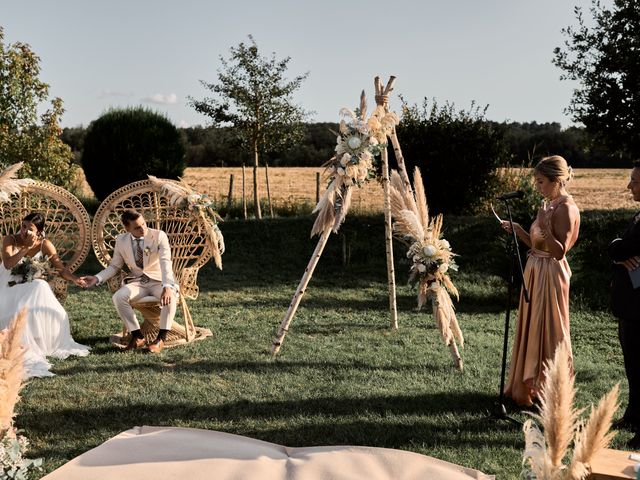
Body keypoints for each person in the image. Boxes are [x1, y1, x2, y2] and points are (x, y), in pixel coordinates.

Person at [501, 155, 581, 406]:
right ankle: (528, 385)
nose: (537, 187)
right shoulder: (548, 204)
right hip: (535, 270)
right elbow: (536, 244)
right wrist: (519, 230)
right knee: (532, 325)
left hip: (551, 274)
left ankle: (549, 387)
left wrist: (545, 227)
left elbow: (559, 252)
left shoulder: (566, 208)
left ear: (556, 181)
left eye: (541, 182)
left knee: (549, 328)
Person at [0, 213, 90, 378]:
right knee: (38, 286)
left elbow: (61, 269)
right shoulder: (10, 240)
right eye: (23, 226)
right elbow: (8, 264)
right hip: (7, 285)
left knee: (40, 285)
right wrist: (25, 248)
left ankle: (40, 339)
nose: (24, 231)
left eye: (30, 229)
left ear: (39, 232)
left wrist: (75, 279)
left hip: (28, 287)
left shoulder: (44, 244)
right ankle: (20, 335)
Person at [81, 209, 177, 353]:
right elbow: (115, 266)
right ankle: (137, 336)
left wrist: (167, 286)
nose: (143, 229)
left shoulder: (159, 236)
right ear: (127, 228)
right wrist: (96, 278)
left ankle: (160, 339)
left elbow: (165, 262)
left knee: (170, 298)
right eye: (137, 227)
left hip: (159, 280)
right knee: (118, 297)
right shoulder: (121, 240)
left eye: (144, 224)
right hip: (139, 281)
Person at [608, 161, 640, 447]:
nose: (629, 186)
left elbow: (622, 247)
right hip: (631, 306)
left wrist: (618, 249)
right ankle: (634, 413)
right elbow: (618, 246)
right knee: (632, 365)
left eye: (635, 181)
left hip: (639, 306)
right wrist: (618, 249)